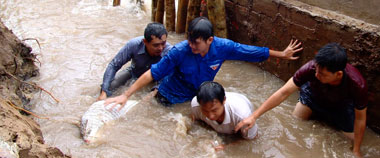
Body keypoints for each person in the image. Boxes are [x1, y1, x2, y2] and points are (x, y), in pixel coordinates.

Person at [105, 16, 302, 108]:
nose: (191, 46)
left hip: (195, 98)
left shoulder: (223, 47)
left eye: (196, 43)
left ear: (210, 40)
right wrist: (126, 95)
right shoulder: (180, 50)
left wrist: (282, 54)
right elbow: (152, 73)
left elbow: (249, 52)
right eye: (189, 41)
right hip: (167, 94)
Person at [235, 43, 368, 158]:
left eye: (322, 74)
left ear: (338, 74)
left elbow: (360, 119)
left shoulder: (357, 84)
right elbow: (283, 92)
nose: (316, 75)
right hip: (313, 97)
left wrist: (356, 150)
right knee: (295, 122)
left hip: (341, 107)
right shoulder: (311, 68)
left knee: (350, 139)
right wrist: (254, 116)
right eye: (316, 70)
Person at [97, 22, 172, 100]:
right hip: (134, 73)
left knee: (158, 99)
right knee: (108, 87)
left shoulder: (170, 51)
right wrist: (104, 92)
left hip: (158, 79)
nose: (160, 48)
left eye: (163, 43)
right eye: (156, 45)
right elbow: (113, 65)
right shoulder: (134, 45)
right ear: (145, 42)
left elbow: (171, 76)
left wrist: (154, 92)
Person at [191, 81, 258, 140]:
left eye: (214, 110)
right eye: (205, 111)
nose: (210, 116)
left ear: (224, 100)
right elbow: (194, 122)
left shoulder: (242, 116)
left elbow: (252, 140)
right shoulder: (196, 105)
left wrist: (227, 147)